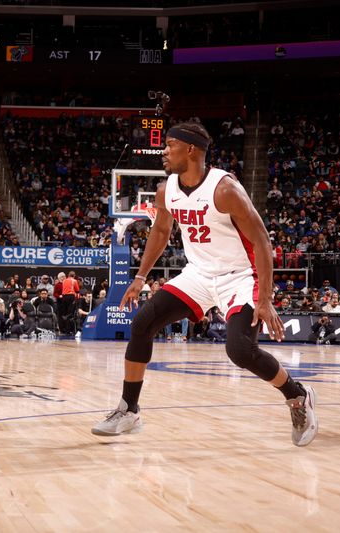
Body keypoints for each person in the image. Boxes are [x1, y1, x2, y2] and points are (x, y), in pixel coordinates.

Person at [92, 122, 318, 447]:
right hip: (198, 274)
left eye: (169, 145)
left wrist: (265, 298)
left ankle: (297, 396)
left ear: (191, 150)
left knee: (240, 350)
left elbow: (263, 242)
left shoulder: (225, 189)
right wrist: (140, 277)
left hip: (240, 276)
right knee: (142, 323)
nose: (164, 152)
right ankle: (129, 410)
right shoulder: (166, 189)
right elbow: (159, 232)